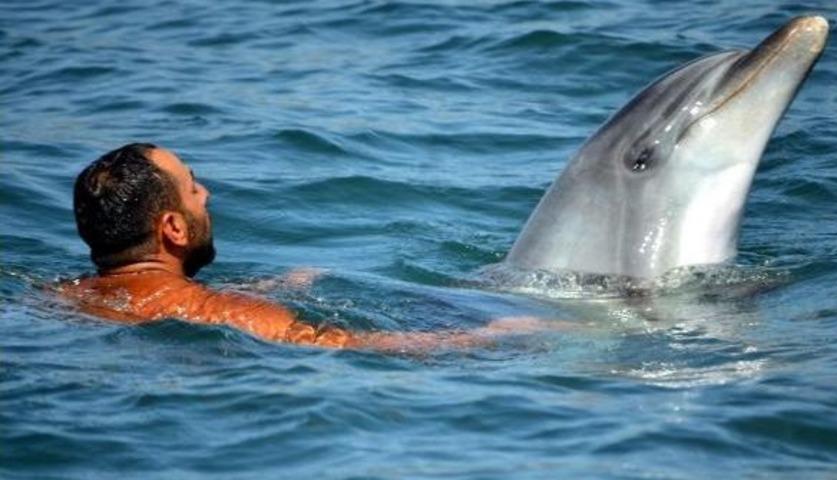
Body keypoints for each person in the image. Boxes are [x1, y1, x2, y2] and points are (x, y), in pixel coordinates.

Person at [59, 143, 541, 350]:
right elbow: (353, 346)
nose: (205, 194)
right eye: (192, 186)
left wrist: (265, 285)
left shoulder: (60, 297)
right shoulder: (225, 311)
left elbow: (149, 303)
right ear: (174, 229)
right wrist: (488, 336)